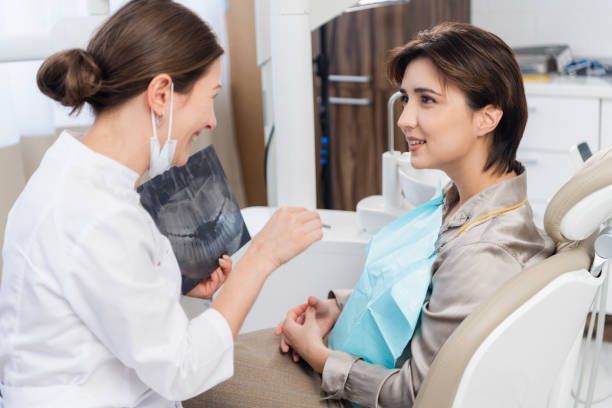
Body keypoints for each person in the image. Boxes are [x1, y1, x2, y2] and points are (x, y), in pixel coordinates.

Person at [190, 22, 555, 408]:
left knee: (195, 380)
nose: (404, 119)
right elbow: (424, 290)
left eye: (426, 100)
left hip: (359, 392)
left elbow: (415, 396)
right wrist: (344, 307)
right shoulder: (461, 202)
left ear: (487, 117)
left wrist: (319, 356)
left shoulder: (483, 252)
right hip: (357, 357)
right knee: (209, 361)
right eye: (406, 98)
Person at [0, 1, 322, 407]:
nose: (212, 120)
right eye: (211, 97)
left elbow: (101, 295)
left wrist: (172, 280)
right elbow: (181, 368)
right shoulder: (97, 215)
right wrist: (263, 255)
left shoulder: (76, 178)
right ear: (161, 94)